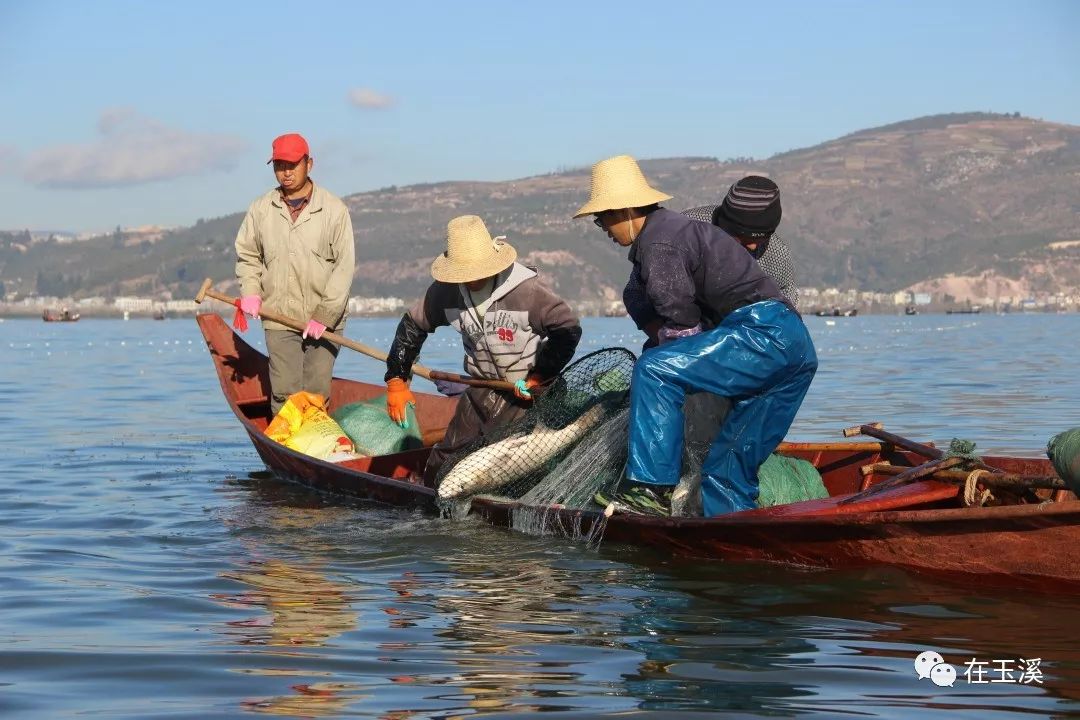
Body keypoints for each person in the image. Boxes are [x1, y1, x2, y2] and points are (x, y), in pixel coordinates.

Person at [575, 155, 817, 517]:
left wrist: (668, 371)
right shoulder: (679, 229)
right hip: (796, 350)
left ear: (624, 211)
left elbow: (680, 328)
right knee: (727, 469)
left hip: (762, 333)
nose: (604, 229)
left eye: (603, 219)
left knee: (655, 369)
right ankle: (734, 534)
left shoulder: (659, 242)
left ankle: (650, 488)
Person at [384, 214, 582, 486]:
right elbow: (412, 327)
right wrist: (396, 380)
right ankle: (429, 499)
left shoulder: (526, 290)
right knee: (446, 460)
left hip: (528, 391)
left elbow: (567, 330)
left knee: (502, 456)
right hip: (482, 387)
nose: (470, 279)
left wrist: (540, 375)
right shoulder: (445, 293)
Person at [235, 133, 355, 416]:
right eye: (279, 165)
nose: (285, 173)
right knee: (285, 393)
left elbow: (344, 267)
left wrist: (324, 315)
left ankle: (314, 450)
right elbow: (248, 254)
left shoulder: (334, 210)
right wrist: (250, 291)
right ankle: (287, 453)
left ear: (309, 164)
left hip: (325, 320)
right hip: (278, 315)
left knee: (315, 393)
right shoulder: (261, 209)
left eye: (292, 165)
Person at [624, 175, 798, 350]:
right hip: (678, 340)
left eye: (763, 237)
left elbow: (784, 315)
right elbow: (634, 293)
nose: (752, 246)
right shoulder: (684, 232)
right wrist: (670, 344)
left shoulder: (777, 253)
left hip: (745, 348)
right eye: (741, 238)